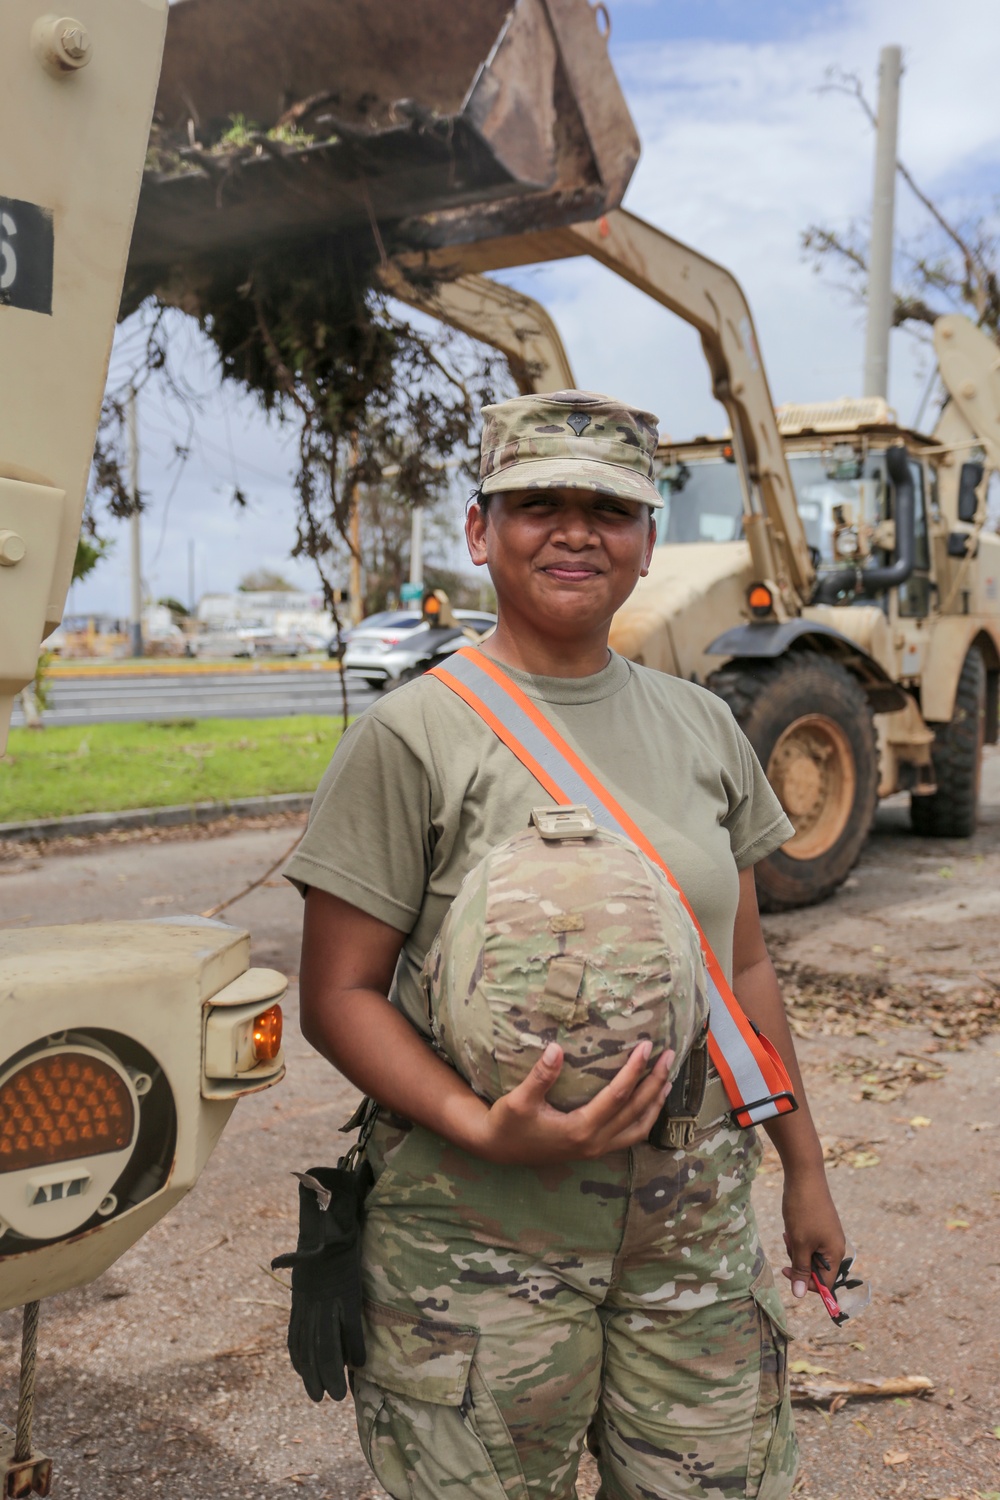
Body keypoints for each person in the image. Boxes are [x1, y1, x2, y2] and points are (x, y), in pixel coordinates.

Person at [287, 389, 846, 1500]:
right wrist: (479, 1129)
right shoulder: (412, 737)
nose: (576, 529)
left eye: (611, 507)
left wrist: (805, 1169)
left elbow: (738, 970)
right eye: (537, 501)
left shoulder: (700, 726)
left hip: (689, 1223)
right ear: (478, 531)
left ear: (647, 541)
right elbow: (338, 993)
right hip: (476, 1234)